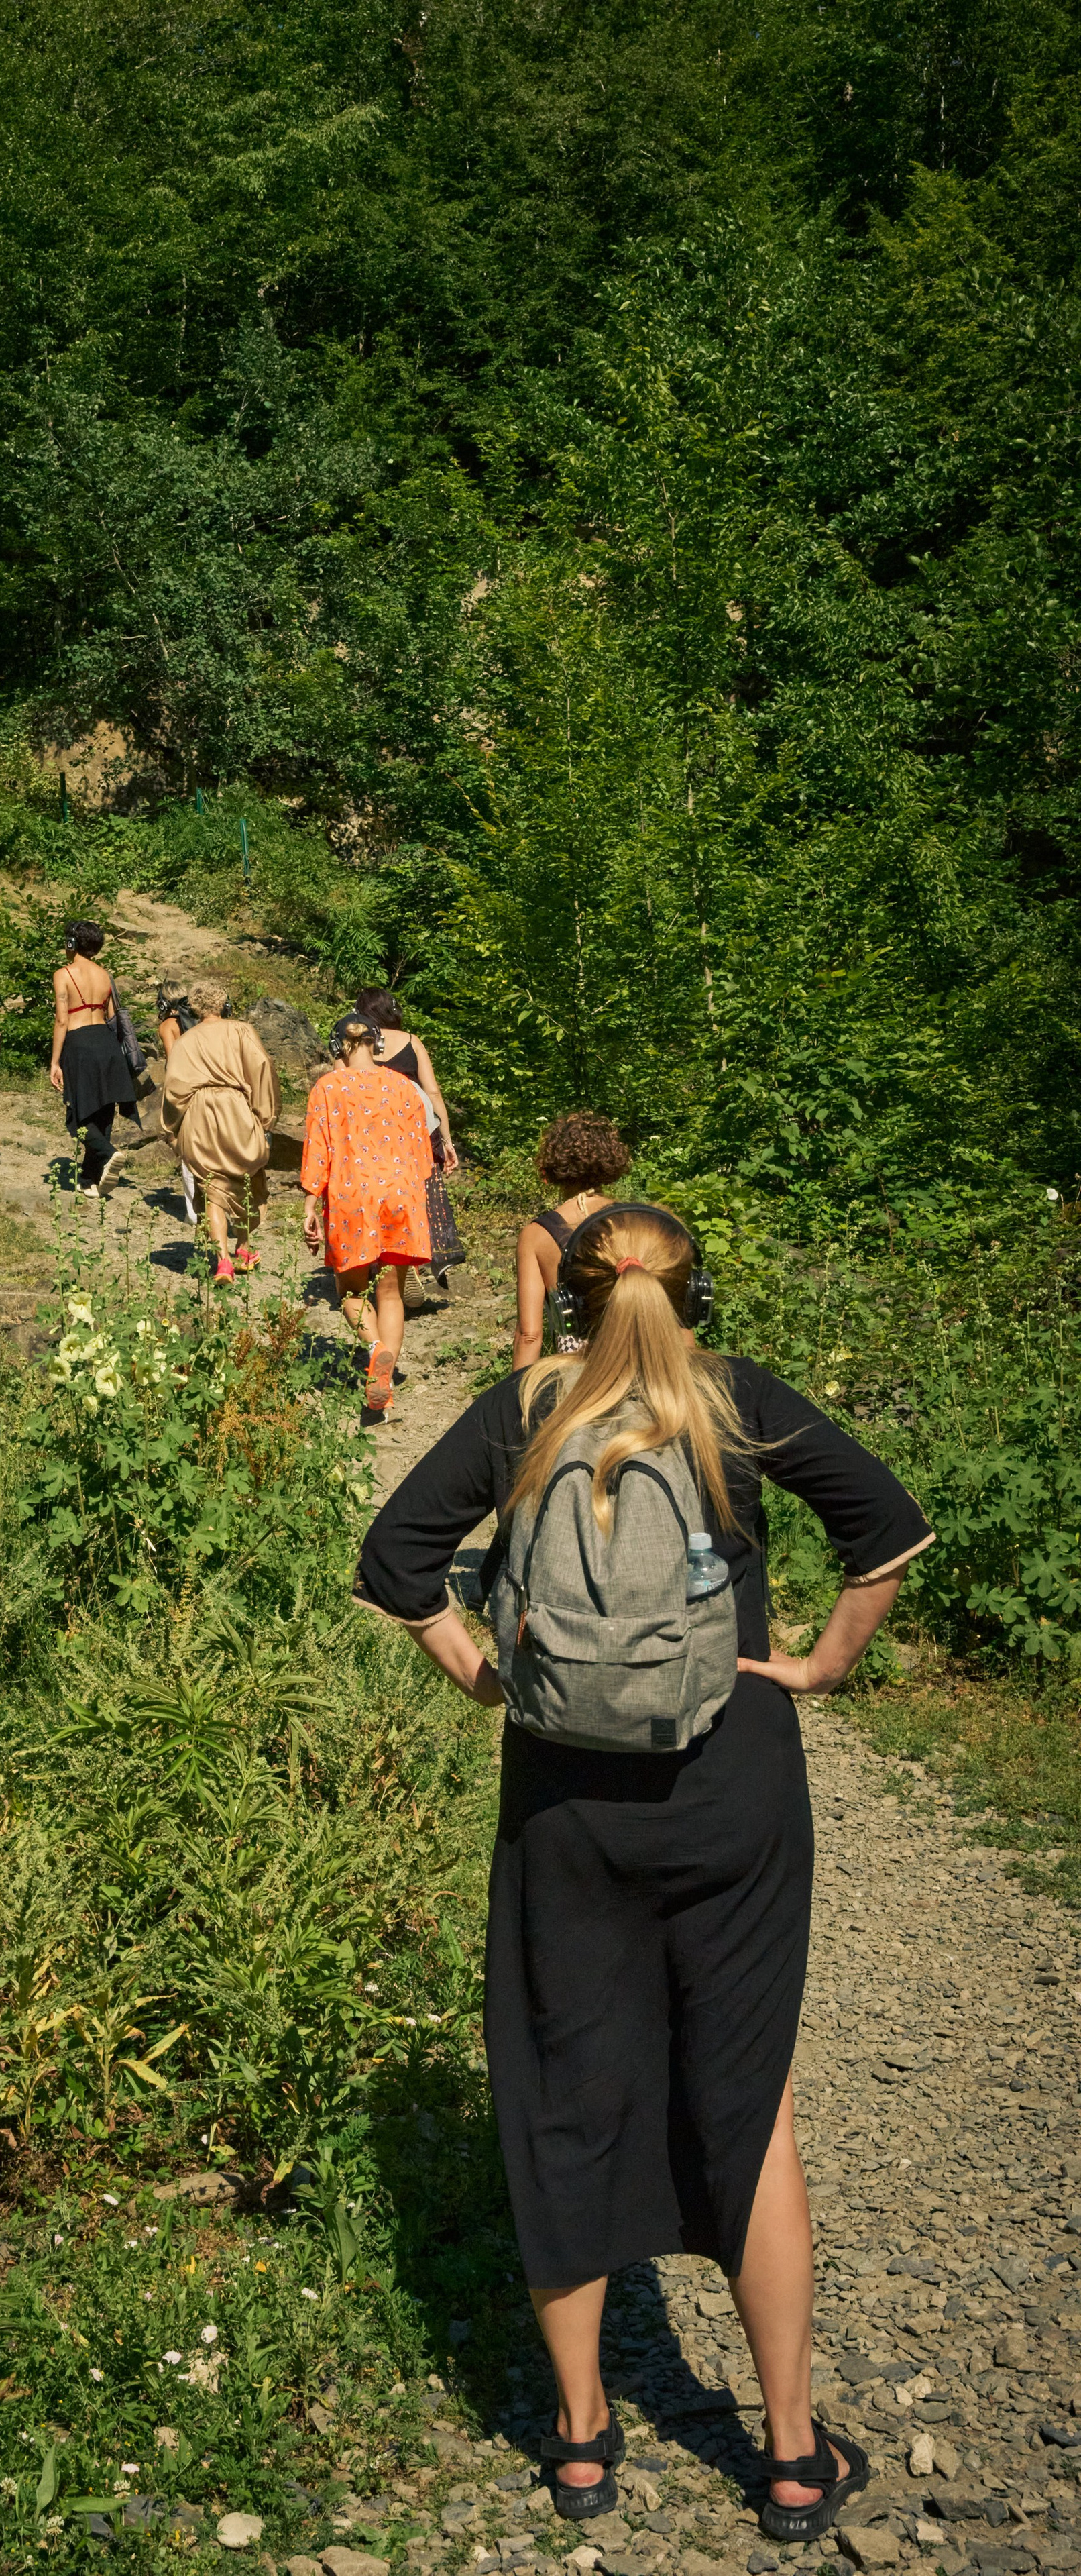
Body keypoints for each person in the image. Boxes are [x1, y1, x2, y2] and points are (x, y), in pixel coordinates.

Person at [354, 1201, 933, 2540]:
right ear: (695, 1295)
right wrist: (818, 1666)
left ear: (571, 1299)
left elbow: (395, 1560)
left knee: (563, 2096)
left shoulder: (525, 1409)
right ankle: (791, 2458)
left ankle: (576, 2445)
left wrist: (485, 1681)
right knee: (750, 2105)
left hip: (565, 1808)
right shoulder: (736, 1403)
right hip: (733, 1792)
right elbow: (888, 1529)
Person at [300, 1014, 434, 1419]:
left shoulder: (328, 1087)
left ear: (338, 1046)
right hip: (400, 1194)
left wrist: (310, 1204)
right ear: (376, 1044)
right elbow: (422, 1157)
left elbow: (319, 1149)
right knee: (391, 1293)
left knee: (351, 1292)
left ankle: (375, 1349)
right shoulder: (404, 1087)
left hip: (352, 1195)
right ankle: (386, 1380)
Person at [159, 979, 280, 1283]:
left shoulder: (186, 1040)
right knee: (247, 1176)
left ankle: (223, 1261)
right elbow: (262, 1068)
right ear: (223, 1003)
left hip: (200, 1112)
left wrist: (172, 1128)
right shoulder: (241, 1030)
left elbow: (174, 1088)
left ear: (194, 1007)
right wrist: (266, 1116)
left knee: (211, 1187)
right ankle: (244, 1248)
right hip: (237, 1106)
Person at [355, 987, 459, 1303]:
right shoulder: (412, 1042)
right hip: (414, 1129)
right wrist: (447, 1139)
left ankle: (378, 1259)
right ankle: (409, 1258)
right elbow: (433, 1092)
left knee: (372, 1193)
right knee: (414, 1192)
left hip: (369, 1130)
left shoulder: (356, 1044)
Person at [513, 1110, 634, 1370]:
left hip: (578, 1373)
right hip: (642, 1358)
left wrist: (516, 1392)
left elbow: (529, 1336)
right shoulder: (639, 1221)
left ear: (553, 1163)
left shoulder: (537, 1234)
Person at [50, 921, 139, 1198]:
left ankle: (108, 1153)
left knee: (78, 1115)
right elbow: (112, 1017)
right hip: (107, 1044)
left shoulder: (63, 974)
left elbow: (62, 1021)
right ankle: (91, 1179)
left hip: (80, 1044)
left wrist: (55, 1062)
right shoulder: (105, 976)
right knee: (102, 1112)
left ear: (72, 944)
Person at [156, 983, 201, 1225]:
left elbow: (174, 1063)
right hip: (209, 1088)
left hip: (185, 1092)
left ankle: (194, 1212)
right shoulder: (201, 1022)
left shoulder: (168, 1027)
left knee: (186, 1150)